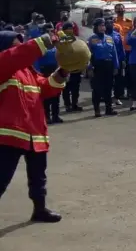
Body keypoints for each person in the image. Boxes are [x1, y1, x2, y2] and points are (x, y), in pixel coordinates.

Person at [0, 30, 68, 222]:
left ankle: (40, 210)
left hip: (34, 133)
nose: (19, 46)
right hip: (9, 134)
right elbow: (16, 56)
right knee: (1, 179)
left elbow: (46, 89)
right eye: (15, 43)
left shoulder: (29, 72)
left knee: (38, 178)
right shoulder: (3, 64)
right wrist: (44, 41)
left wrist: (62, 73)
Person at [88, 18, 119, 117]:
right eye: (100, 26)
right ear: (96, 27)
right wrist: (89, 67)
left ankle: (108, 109)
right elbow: (88, 55)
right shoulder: (92, 39)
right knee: (97, 88)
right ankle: (97, 110)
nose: (102, 27)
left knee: (108, 88)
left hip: (108, 65)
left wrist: (116, 66)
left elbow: (114, 53)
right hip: (97, 66)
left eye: (103, 25)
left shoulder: (109, 38)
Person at [35, 23, 63, 124]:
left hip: (55, 69)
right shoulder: (40, 43)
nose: (51, 33)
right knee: (46, 95)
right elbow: (36, 59)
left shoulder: (56, 43)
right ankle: (46, 116)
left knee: (56, 93)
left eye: (52, 31)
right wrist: (38, 72)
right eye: (48, 31)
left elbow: (60, 56)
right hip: (44, 70)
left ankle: (55, 115)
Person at [60, 22, 84, 113]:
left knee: (76, 88)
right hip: (66, 67)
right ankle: (67, 105)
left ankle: (74, 104)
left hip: (76, 67)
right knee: (66, 88)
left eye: (71, 28)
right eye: (68, 29)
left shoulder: (77, 39)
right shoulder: (61, 40)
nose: (70, 30)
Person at [104, 13, 126, 106]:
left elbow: (121, 48)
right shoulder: (102, 36)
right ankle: (108, 99)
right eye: (107, 23)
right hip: (107, 61)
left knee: (119, 81)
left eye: (111, 23)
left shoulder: (117, 35)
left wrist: (123, 59)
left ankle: (116, 97)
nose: (109, 25)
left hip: (119, 61)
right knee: (108, 81)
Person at [113, 3, 133, 100]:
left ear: (125, 10)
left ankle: (129, 91)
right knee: (119, 73)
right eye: (118, 9)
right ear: (115, 11)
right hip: (118, 51)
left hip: (128, 50)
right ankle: (119, 93)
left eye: (121, 9)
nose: (120, 11)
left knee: (129, 72)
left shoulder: (130, 22)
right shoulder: (113, 23)